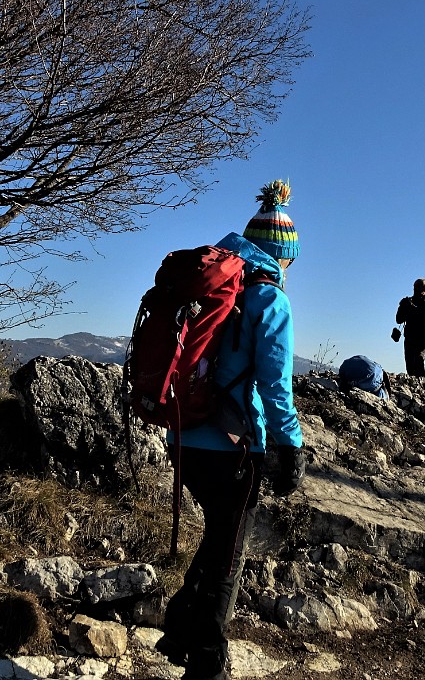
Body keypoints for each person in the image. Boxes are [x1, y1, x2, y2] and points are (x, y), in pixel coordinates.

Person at [157, 180, 306, 680]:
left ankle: (181, 623)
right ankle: (207, 661)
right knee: (230, 553)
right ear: (283, 257)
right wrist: (290, 449)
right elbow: (275, 386)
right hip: (231, 446)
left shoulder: (214, 287)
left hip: (182, 432)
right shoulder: (269, 300)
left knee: (220, 533)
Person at [394, 278, 425, 379]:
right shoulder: (408, 302)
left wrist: (411, 307)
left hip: (421, 337)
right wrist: (402, 307)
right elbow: (399, 319)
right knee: (409, 363)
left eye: (417, 287)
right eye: (414, 287)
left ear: (424, 290)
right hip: (409, 336)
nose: (415, 290)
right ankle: (414, 385)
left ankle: (422, 385)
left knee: (419, 362)